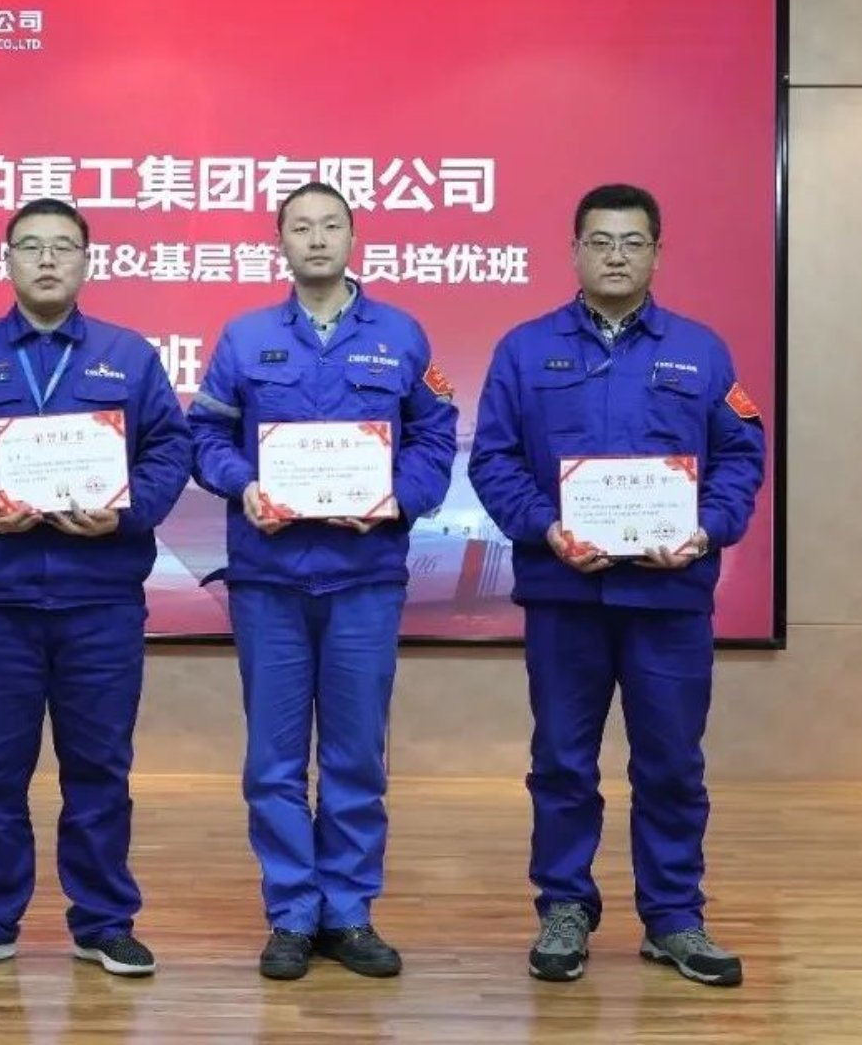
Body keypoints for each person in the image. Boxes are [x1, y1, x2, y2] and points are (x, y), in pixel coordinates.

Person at [467, 183, 766, 988]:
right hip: (565, 595)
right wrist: (545, 527)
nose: (616, 256)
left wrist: (707, 528)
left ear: (657, 254)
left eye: (633, 242)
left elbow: (742, 456)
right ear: (575, 252)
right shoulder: (525, 350)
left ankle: (674, 917)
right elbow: (492, 460)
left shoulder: (702, 351)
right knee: (563, 762)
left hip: (670, 597)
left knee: (671, 764)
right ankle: (565, 907)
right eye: (600, 241)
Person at [0, 197, 193, 979]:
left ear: (87, 262)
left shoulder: (129, 357)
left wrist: (126, 512)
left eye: (64, 246)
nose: (49, 259)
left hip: (101, 601)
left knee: (100, 771)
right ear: (8, 261)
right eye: (31, 246)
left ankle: (104, 921)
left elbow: (170, 450)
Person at [188, 182, 458, 980]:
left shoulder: (401, 334)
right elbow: (205, 435)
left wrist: (397, 499)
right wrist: (242, 484)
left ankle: (348, 911)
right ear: (280, 242)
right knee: (273, 762)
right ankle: (291, 914)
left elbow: (435, 437)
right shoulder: (244, 337)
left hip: (365, 577)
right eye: (300, 227)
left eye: (330, 225)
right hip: (269, 578)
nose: (316, 239)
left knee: (355, 758)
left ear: (352, 237)